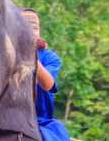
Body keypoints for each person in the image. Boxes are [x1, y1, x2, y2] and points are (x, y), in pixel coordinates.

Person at [22, 8, 70, 141]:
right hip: (4, 117)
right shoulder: (5, 53)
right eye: (25, 28)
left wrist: (29, 54)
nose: (31, 32)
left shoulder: (49, 57)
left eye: (35, 28)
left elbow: (47, 85)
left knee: (58, 128)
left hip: (38, 120)